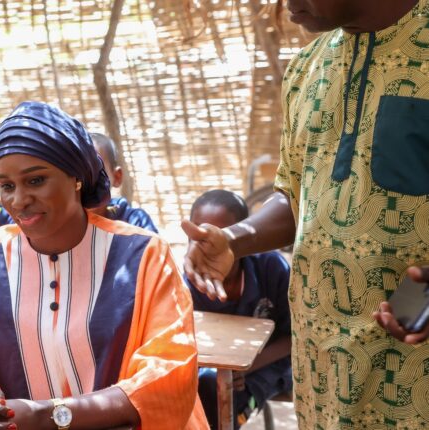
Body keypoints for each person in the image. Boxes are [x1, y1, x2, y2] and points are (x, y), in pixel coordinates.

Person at [182, 0, 429, 427]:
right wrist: (234, 239)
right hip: (323, 379)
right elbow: (297, 195)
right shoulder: (306, 69)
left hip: (413, 376)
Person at [0, 101, 208, 429]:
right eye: (8, 186)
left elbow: (169, 374)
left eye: (36, 180)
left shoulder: (143, 257)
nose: (19, 200)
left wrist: (47, 415)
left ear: (76, 178)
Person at [185, 190, 292, 429]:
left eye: (219, 236)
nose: (207, 248)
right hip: (211, 375)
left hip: (267, 363)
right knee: (202, 392)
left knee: (228, 404)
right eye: (199, 236)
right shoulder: (187, 283)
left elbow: (294, 337)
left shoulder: (271, 270)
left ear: (241, 240)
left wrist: (245, 367)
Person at [88, 133, 158, 233]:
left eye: (95, 172)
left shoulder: (135, 221)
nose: (85, 181)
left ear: (117, 177)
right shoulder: (68, 224)